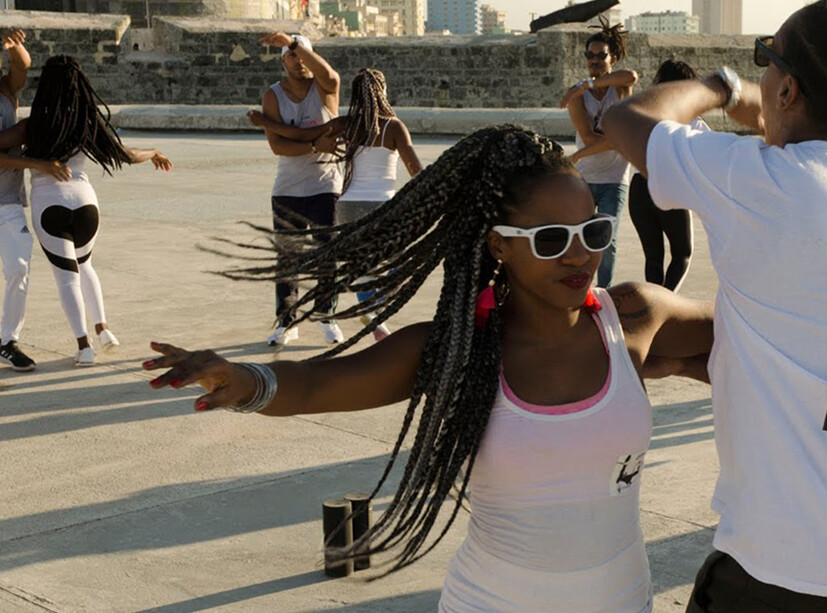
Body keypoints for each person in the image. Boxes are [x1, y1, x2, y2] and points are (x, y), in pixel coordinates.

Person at [144, 125, 714, 611]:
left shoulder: (635, 316)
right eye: (550, 239)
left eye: (594, 231)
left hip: (624, 599)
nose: (580, 255)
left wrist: (697, 368)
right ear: (497, 245)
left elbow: (759, 343)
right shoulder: (453, 350)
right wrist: (246, 381)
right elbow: (316, 383)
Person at [603, 0, 827, 609]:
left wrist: (722, 87)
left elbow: (627, 118)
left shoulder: (763, 180)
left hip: (789, 578)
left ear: (788, 88)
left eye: (764, 60)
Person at [0, 55, 171, 367]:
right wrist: (155, 152)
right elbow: (127, 154)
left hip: (49, 206)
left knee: (67, 277)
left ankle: (84, 347)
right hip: (86, 204)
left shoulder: (32, 126)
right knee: (86, 266)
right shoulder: (87, 124)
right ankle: (103, 329)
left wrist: (34, 163)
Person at [248, 67, 423, 342]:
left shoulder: (345, 124)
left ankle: (368, 304)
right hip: (382, 205)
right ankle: (372, 304)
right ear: (384, 92)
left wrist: (265, 123)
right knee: (403, 256)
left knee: (359, 260)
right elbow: (415, 167)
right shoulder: (395, 127)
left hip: (347, 206)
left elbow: (302, 135)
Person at [575, 59, 702, 291]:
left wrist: (578, 155)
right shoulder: (693, 120)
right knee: (682, 253)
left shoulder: (643, 114)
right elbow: (707, 156)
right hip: (670, 188)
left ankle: (652, 308)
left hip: (639, 190)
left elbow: (613, 141)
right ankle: (666, 304)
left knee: (653, 258)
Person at [257, 32, 344, 347]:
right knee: (287, 258)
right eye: (291, 55)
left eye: (303, 54)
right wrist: (313, 144)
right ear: (283, 61)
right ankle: (287, 322)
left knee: (326, 254)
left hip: (325, 185)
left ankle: (327, 316)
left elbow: (331, 75)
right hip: (288, 188)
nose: (298, 61)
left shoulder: (324, 88)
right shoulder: (273, 96)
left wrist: (296, 44)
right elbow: (278, 146)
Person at [559, 18, 637, 288]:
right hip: (585, 179)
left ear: (612, 57)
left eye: (601, 55)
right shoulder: (577, 97)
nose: (594, 60)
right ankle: (579, 287)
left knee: (607, 240)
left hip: (615, 180)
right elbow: (591, 137)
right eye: (589, 55)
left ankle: (603, 293)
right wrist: (618, 137)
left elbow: (632, 76)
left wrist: (589, 84)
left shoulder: (619, 87)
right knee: (578, 239)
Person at [0, 28, 43, 372]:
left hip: (7, 200)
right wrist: (35, 163)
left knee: (19, 268)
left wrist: (14, 47)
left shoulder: (5, 91)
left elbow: (22, 67)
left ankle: (7, 340)